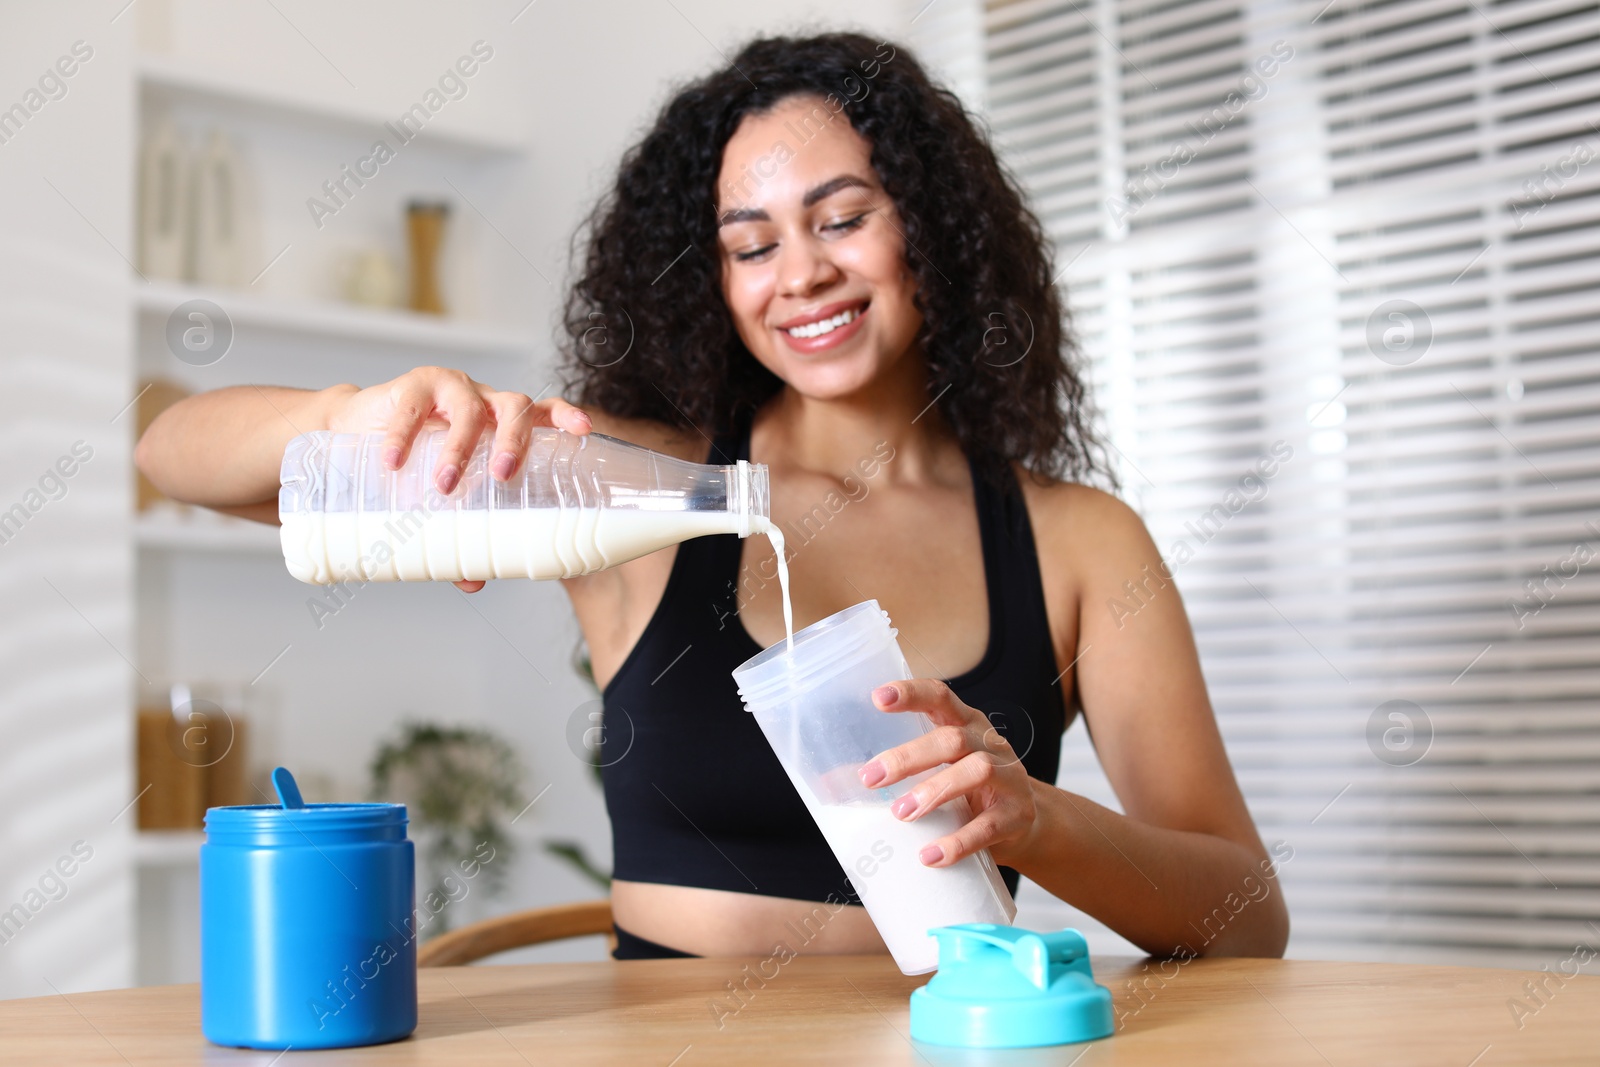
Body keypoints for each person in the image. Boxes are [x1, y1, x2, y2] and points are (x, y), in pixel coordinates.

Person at [137, 33, 1288, 961]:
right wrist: (350, 414)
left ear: (932, 233)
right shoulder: (636, 485)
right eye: (751, 244)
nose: (801, 274)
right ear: (710, 282)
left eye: (842, 218)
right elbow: (175, 456)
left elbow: (1245, 910)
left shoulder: (1077, 541)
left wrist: (1035, 814)